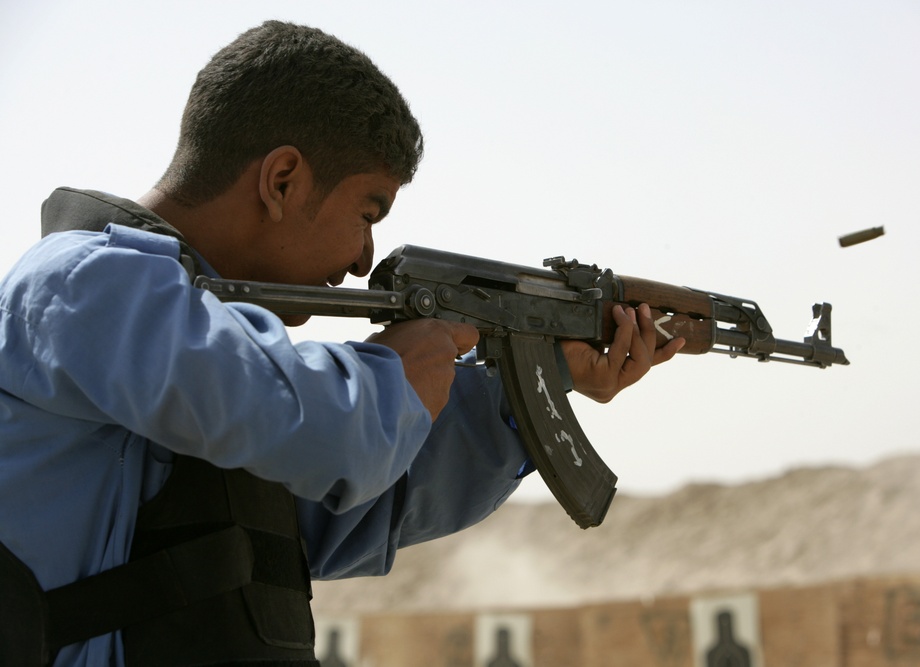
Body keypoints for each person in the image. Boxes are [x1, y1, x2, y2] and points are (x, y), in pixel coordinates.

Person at [0, 20, 684, 667]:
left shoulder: (202, 337)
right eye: (367, 212)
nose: (364, 258)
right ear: (283, 180)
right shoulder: (85, 281)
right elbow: (305, 427)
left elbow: (347, 510)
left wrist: (526, 390)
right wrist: (397, 370)